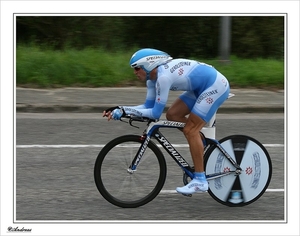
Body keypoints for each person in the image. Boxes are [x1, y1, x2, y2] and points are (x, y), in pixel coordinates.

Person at [103, 48, 230, 195]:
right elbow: (147, 107)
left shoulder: (163, 77)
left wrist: (125, 112)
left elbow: (155, 113)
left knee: (191, 130)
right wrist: (121, 109)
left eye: (137, 68)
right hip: (200, 88)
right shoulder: (152, 79)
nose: (135, 72)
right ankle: (200, 143)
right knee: (173, 114)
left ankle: (200, 181)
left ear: (148, 66)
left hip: (215, 86)